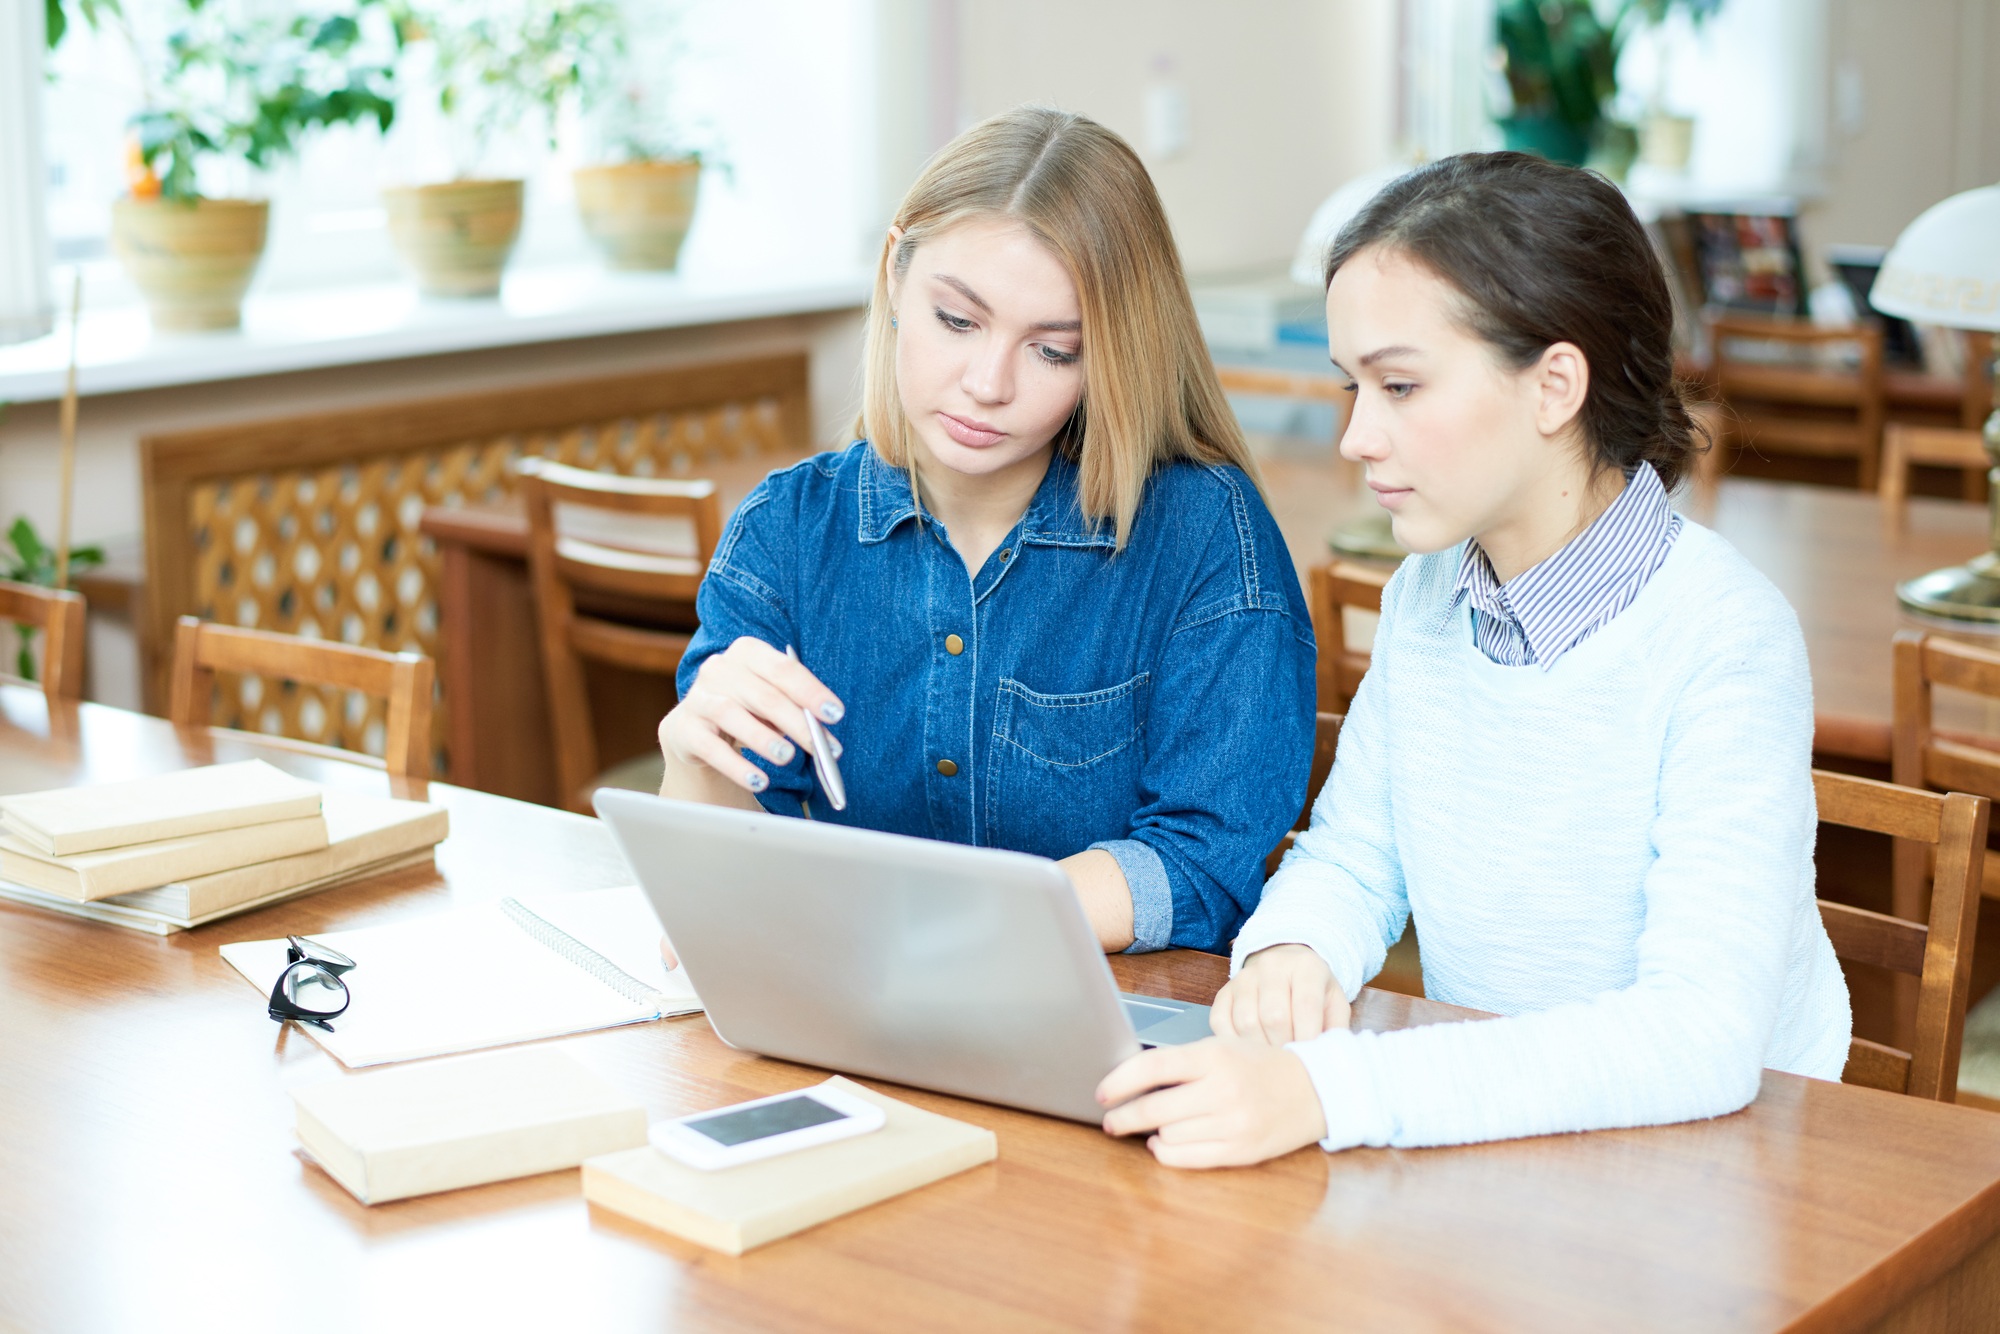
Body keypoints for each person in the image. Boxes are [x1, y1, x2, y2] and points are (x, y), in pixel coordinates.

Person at [1097, 151, 1851, 1166]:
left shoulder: (1725, 635)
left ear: (1552, 385)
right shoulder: (1428, 595)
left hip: (1710, 1165)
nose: (1357, 436)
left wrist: (1331, 1089)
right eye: (1351, 386)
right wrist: (1292, 946)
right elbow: (1356, 854)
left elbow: (1698, 1036)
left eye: (1399, 385)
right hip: (1502, 1134)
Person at [654, 106, 1317, 956]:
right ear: (896, 274)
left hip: (1119, 1033)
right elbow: (719, 917)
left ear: (1111, 355)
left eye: (1053, 352)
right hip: (854, 1016)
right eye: (958, 321)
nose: (987, 383)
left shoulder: (1203, 538)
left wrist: (937, 934)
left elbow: (1201, 866)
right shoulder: (788, 532)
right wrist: (695, 762)